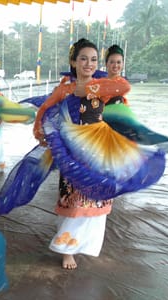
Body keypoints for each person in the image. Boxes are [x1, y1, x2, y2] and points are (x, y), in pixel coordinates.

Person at [33, 38, 132, 270]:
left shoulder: (102, 85)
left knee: (97, 201)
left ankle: (85, 245)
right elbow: (44, 111)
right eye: (83, 59)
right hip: (74, 153)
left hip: (99, 152)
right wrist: (42, 135)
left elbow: (124, 87)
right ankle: (66, 249)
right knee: (74, 200)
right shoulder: (65, 89)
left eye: (94, 60)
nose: (89, 63)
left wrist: (88, 88)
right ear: (73, 61)